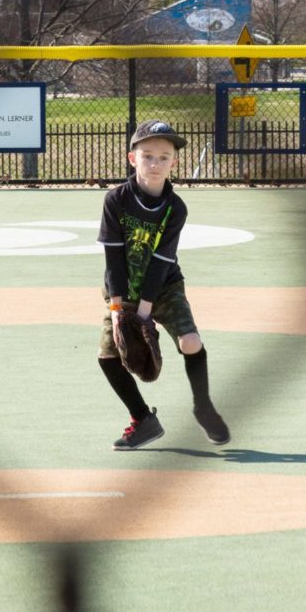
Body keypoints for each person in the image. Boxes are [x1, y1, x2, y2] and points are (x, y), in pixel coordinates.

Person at [97, 120, 230, 450]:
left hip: (165, 286)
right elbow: (113, 257)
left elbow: (162, 261)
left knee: (190, 342)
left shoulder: (175, 208)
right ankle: (142, 418)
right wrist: (117, 310)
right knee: (107, 356)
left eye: (163, 157)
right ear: (132, 159)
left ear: (174, 162)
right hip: (123, 290)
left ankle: (203, 406)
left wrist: (145, 313)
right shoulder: (116, 200)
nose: (155, 164)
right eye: (147, 156)